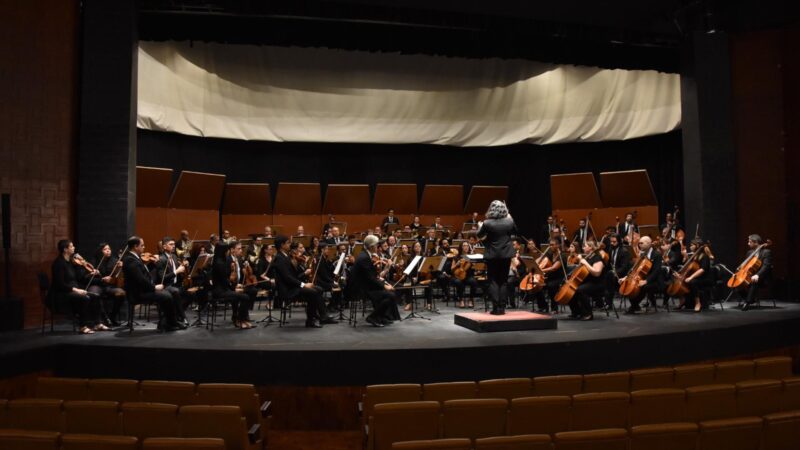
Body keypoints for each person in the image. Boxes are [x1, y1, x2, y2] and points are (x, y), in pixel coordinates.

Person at [122, 236, 184, 332]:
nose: (144, 247)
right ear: (135, 246)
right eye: (142, 245)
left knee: (168, 294)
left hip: (143, 290)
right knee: (166, 296)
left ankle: (167, 322)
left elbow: (145, 273)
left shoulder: (135, 258)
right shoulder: (130, 260)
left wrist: (152, 264)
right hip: (137, 293)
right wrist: (154, 287)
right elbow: (141, 280)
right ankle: (171, 323)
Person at [272, 235, 334, 328]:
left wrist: (304, 281)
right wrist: (303, 285)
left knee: (319, 289)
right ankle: (312, 320)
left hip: (292, 286)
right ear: (282, 245)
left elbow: (294, 276)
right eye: (288, 243)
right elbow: (288, 278)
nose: (290, 245)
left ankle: (321, 315)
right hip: (287, 290)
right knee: (313, 292)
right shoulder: (279, 258)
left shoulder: (285, 256)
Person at [51, 240, 105, 334]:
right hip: (61, 294)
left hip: (73, 291)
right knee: (85, 298)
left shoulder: (71, 263)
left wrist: (91, 274)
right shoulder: (58, 264)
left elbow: (79, 278)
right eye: (71, 246)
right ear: (65, 249)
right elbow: (59, 284)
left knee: (96, 296)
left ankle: (97, 323)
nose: (74, 248)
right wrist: (76, 290)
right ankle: (82, 326)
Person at [345, 235, 400, 327]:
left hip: (365, 285)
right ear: (371, 246)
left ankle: (382, 317)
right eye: (376, 245)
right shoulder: (364, 257)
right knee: (390, 295)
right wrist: (384, 285)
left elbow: (371, 276)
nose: (377, 246)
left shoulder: (365, 255)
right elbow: (370, 278)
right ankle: (373, 317)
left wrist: (382, 280)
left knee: (388, 294)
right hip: (360, 289)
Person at [476, 200, 517, 315]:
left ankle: (495, 307)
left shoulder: (487, 223)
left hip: (492, 255)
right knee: (503, 281)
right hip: (505, 254)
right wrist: (509, 216)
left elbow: (479, 234)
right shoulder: (509, 221)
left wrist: (480, 226)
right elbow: (516, 232)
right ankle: (502, 308)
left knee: (493, 281)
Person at [210, 241, 254, 329]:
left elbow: (225, 280)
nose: (228, 252)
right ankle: (240, 319)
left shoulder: (220, 260)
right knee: (245, 297)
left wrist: (234, 287)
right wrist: (234, 288)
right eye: (226, 250)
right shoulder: (219, 263)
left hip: (224, 288)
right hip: (220, 291)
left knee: (246, 294)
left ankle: (242, 319)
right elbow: (224, 281)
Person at [621, 236, 663, 314]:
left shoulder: (656, 254)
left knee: (642, 287)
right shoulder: (642, 254)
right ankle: (635, 305)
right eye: (639, 243)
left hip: (655, 281)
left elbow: (656, 271)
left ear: (648, 243)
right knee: (630, 285)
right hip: (643, 278)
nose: (639, 245)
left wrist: (646, 281)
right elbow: (635, 269)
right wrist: (626, 277)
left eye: (641, 243)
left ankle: (633, 307)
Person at [155, 237, 190, 326]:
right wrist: (177, 271)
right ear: (164, 246)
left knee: (190, 294)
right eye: (171, 244)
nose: (173, 246)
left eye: (174, 244)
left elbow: (180, 271)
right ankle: (182, 317)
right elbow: (162, 278)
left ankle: (176, 314)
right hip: (166, 286)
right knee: (175, 291)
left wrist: (185, 265)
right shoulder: (161, 259)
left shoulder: (174, 256)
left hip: (176, 284)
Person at [567, 240, 605, 321]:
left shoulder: (597, 257)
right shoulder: (587, 257)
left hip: (596, 283)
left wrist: (585, 263)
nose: (583, 248)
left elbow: (597, 273)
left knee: (580, 290)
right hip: (588, 281)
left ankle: (588, 313)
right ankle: (577, 312)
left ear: (591, 247)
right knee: (571, 289)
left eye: (585, 246)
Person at [90, 242, 126, 326]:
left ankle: (112, 317)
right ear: (100, 251)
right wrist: (100, 278)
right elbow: (89, 277)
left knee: (121, 293)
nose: (108, 251)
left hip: (108, 287)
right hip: (97, 284)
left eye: (109, 249)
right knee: (94, 294)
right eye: (105, 249)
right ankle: (103, 318)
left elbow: (117, 278)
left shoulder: (114, 261)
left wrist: (120, 268)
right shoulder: (94, 260)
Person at [739, 234, 773, 311]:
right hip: (750, 275)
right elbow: (745, 266)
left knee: (754, 281)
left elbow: (766, 266)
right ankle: (751, 299)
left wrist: (758, 275)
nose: (748, 243)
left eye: (750, 242)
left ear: (756, 242)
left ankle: (747, 302)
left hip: (762, 277)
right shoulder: (749, 252)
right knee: (738, 283)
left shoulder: (766, 252)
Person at [602, 234, 631, 309]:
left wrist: (615, 273)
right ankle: (602, 301)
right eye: (611, 241)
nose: (612, 243)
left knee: (609, 278)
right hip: (612, 273)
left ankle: (608, 303)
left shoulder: (624, 251)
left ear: (619, 242)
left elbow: (624, 267)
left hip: (621, 275)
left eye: (614, 242)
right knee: (602, 276)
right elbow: (609, 264)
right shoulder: (610, 249)